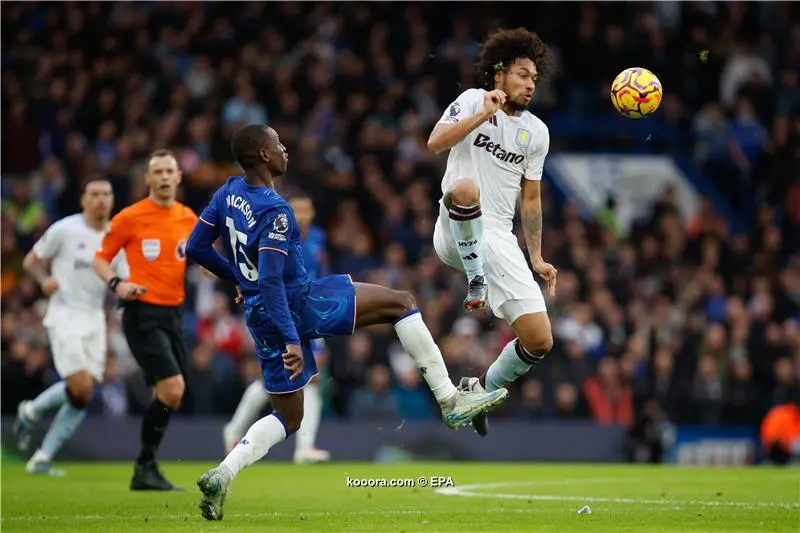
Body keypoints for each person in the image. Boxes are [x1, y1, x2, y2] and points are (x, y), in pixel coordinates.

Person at [186, 124, 509, 521]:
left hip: (259, 315)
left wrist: (237, 278)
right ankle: (449, 400)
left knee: (289, 417)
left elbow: (198, 246)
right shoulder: (276, 210)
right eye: (278, 144)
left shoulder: (227, 192)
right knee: (402, 302)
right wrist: (291, 337)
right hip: (298, 304)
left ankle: (223, 472)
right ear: (265, 157)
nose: (285, 147)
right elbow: (271, 278)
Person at [427, 27, 557, 436]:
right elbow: (435, 143)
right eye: (522, 74)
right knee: (466, 188)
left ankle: (479, 391)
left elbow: (531, 201)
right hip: (456, 227)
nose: (530, 84)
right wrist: (484, 113)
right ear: (499, 73)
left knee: (540, 339)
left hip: (499, 237)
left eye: (534, 78)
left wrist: (536, 257)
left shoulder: (537, 132)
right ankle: (475, 280)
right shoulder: (470, 100)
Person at [92, 149, 198, 491]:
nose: (165, 177)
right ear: (148, 179)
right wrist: (117, 284)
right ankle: (144, 465)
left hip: (174, 314)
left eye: (170, 171)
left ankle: (145, 465)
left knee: (173, 395)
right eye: (159, 172)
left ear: (179, 177)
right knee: (173, 388)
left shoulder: (187, 218)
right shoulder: (131, 217)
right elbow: (100, 259)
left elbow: (200, 257)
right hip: (142, 312)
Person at [13, 176, 128, 476]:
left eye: (106, 193)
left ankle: (42, 457)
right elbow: (30, 261)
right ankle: (32, 410)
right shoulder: (64, 229)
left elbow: (124, 279)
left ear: (112, 200)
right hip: (64, 313)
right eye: (95, 194)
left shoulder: (117, 235)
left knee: (84, 395)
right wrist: (43, 280)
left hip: (94, 319)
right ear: (83, 200)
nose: (101, 199)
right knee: (80, 384)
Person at [222, 193, 332, 463]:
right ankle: (236, 429)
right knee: (277, 379)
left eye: (307, 210)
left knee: (312, 379)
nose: (302, 216)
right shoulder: (274, 234)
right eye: (297, 210)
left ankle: (304, 448)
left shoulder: (318, 239)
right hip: (279, 314)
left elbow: (320, 273)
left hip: (309, 312)